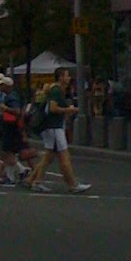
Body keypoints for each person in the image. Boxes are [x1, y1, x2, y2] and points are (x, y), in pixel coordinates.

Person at [23, 66, 91, 195]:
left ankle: (34, 180)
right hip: (54, 127)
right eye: (66, 75)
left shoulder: (57, 90)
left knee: (48, 156)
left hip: (52, 127)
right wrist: (69, 110)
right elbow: (53, 108)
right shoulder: (56, 90)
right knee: (64, 156)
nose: (69, 77)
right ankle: (72, 184)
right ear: (60, 77)